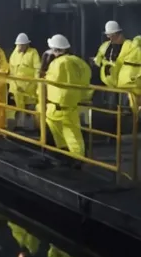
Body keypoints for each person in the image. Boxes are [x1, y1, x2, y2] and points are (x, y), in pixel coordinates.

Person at [44, 34, 92, 162]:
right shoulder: (78, 62)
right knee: (70, 135)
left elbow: (51, 79)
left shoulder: (59, 63)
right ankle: (72, 158)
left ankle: (77, 160)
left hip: (58, 106)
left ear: (55, 49)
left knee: (68, 136)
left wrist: (44, 70)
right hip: (68, 105)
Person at [94, 20, 141, 112]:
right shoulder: (105, 46)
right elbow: (98, 59)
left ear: (116, 34)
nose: (108, 37)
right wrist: (101, 63)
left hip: (126, 89)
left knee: (125, 112)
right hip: (109, 87)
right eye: (107, 35)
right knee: (111, 111)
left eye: (110, 35)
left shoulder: (130, 46)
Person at [8, 33, 43, 130]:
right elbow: (11, 69)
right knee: (19, 108)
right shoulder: (15, 54)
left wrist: (36, 84)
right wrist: (13, 84)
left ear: (26, 45)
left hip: (29, 88)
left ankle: (29, 128)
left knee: (29, 108)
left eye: (21, 45)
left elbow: (37, 69)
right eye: (18, 45)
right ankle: (20, 126)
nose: (19, 47)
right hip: (17, 88)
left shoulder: (33, 53)